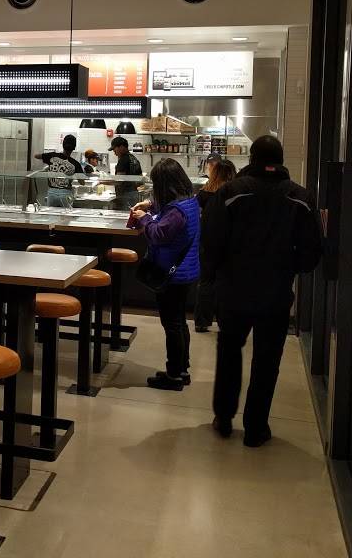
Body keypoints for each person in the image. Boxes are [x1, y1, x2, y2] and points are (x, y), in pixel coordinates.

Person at [203, 135, 322, 447]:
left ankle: (224, 418)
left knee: (229, 352)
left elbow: (211, 240)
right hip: (276, 293)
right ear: (280, 161)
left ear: (252, 159)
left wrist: (213, 277)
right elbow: (312, 251)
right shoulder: (301, 197)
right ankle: (256, 428)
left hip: (233, 290)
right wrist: (291, 266)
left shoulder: (230, 192)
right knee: (267, 360)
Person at [130, 158, 200, 391]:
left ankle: (173, 376)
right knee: (179, 322)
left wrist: (144, 218)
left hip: (172, 274)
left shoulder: (177, 211)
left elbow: (158, 234)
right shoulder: (189, 201)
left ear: (165, 184)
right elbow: (169, 215)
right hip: (185, 271)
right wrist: (151, 206)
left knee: (172, 324)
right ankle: (182, 370)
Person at [194, 159, 237, 333]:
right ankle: (224, 321)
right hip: (229, 242)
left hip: (207, 241)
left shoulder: (204, 193)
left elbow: (196, 214)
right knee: (226, 282)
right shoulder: (234, 194)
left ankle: (201, 322)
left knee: (206, 281)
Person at [36, 134, 84, 208]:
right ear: (74, 148)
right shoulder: (76, 164)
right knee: (66, 215)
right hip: (66, 193)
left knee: (51, 214)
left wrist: (47, 158)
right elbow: (82, 182)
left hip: (51, 192)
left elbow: (36, 156)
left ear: (63, 145)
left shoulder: (52, 156)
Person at [110, 136, 143, 210]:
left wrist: (102, 182)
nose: (114, 152)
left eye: (114, 149)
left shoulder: (123, 160)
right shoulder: (134, 159)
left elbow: (119, 181)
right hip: (134, 195)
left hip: (125, 197)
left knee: (124, 216)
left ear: (121, 147)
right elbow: (140, 181)